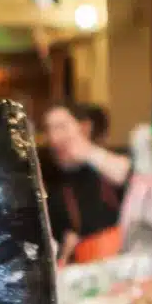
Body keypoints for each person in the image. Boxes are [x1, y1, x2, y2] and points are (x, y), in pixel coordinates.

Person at [41, 102, 131, 264]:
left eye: (61, 127)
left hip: (125, 261)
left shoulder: (108, 163)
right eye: (49, 129)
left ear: (84, 128)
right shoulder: (51, 182)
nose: (54, 138)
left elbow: (129, 176)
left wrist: (88, 152)